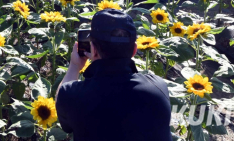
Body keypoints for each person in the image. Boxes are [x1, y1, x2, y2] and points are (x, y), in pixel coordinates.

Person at [55, 9, 172, 141]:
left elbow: (63, 110)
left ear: (93, 50)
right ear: (134, 50)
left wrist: (75, 66)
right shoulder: (158, 88)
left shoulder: (73, 96)